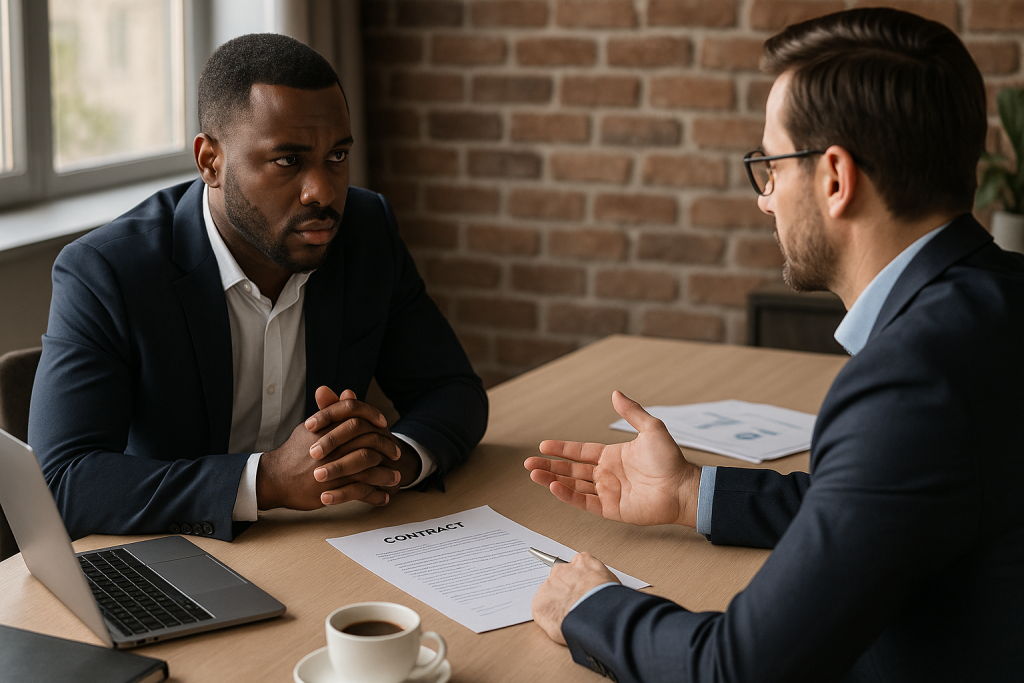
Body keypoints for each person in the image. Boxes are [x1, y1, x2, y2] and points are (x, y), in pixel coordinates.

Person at [525, 8, 1024, 682]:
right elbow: (884, 501)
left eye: (771, 165)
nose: (765, 199)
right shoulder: (997, 299)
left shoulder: (912, 378)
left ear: (835, 179)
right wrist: (689, 492)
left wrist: (592, 606)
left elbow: (743, 668)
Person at [28, 33, 487, 543]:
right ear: (211, 163)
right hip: (175, 552)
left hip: (328, 539)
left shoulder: (366, 229)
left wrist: (391, 460)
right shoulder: (107, 272)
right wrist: (264, 481)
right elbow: (61, 482)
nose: (323, 191)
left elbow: (452, 389)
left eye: (336, 156)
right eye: (288, 161)